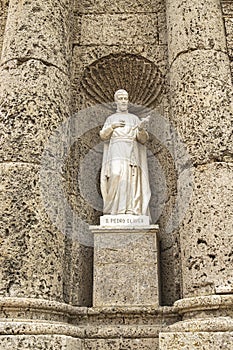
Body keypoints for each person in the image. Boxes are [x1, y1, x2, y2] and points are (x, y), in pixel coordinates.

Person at [100, 89, 151, 216]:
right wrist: (112, 126)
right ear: (116, 101)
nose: (123, 101)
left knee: (131, 179)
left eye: (125, 99)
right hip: (116, 150)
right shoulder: (111, 119)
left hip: (131, 151)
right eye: (121, 98)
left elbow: (142, 140)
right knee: (115, 174)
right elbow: (103, 136)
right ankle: (113, 209)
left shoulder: (134, 119)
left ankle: (130, 209)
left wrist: (141, 129)